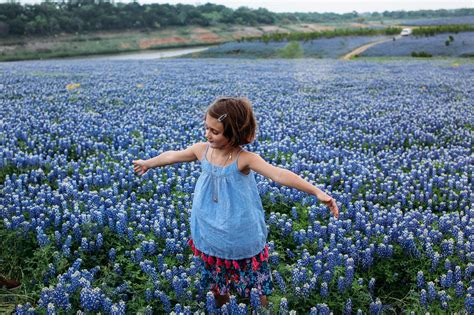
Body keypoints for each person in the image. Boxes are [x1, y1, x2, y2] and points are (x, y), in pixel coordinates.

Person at [132, 97, 339, 309]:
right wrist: (149, 163)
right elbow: (172, 156)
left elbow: (278, 174)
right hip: (210, 231)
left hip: (240, 234)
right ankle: (224, 308)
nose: (207, 134)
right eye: (206, 128)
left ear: (234, 133)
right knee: (217, 286)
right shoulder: (201, 150)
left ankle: (261, 310)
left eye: (215, 131)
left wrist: (316, 191)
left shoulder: (244, 158)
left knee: (255, 288)